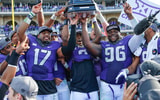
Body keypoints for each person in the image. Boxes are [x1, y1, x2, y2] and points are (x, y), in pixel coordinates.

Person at [16, 3, 77, 100]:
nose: (47, 35)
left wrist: (72, 26)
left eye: (49, 33)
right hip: (32, 84)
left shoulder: (55, 45)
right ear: (38, 34)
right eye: (44, 33)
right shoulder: (31, 40)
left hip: (49, 86)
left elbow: (69, 48)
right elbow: (20, 32)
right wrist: (31, 14)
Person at [80, 8, 140, 100]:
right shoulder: (103, 45)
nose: (112, 33)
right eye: (110, 32)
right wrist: (84, 24)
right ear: (107, 34)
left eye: (115, 31)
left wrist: (130, 15)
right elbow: (87, 44)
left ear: (120, 33)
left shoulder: (127, 41)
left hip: (124, 84)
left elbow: (139, 33)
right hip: (106, 84)